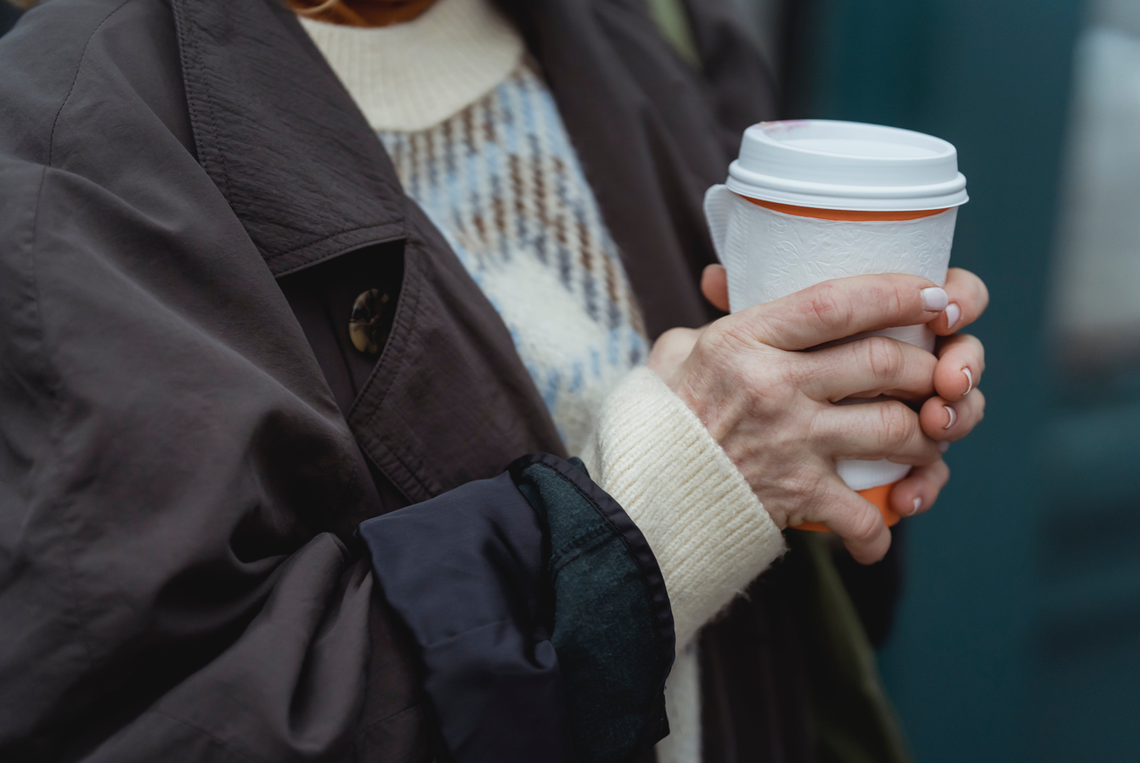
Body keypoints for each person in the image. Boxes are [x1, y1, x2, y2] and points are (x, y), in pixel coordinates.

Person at [0, 0, 988, 760]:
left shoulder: (650, 33)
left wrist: (851, 419)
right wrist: (672, 497)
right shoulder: (67, 150)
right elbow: (169, 715)